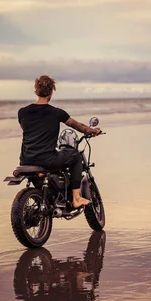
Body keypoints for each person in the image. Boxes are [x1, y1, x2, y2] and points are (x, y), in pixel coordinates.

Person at [18, 75, 101, 208]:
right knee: (76, 156)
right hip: (47, 159)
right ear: (51, 92)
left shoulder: (22, 112)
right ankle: (76, 198)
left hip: (25, 159)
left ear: (36, 90)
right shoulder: (56, 113)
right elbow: (77, 126)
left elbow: (26, 130)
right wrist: (91, 130)